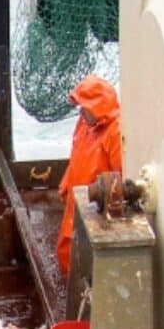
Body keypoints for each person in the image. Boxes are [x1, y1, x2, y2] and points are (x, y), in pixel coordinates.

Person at [56, 76, 123, 275]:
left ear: (97, 106)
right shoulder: (84, 123)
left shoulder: (116, 132)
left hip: (95, 207)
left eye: (84, 107)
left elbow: (118, 180)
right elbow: (76, 155)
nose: (81, 112)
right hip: (75, 200)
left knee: (85, 261)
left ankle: (85, 299)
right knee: (65, 251)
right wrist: (66, 183)